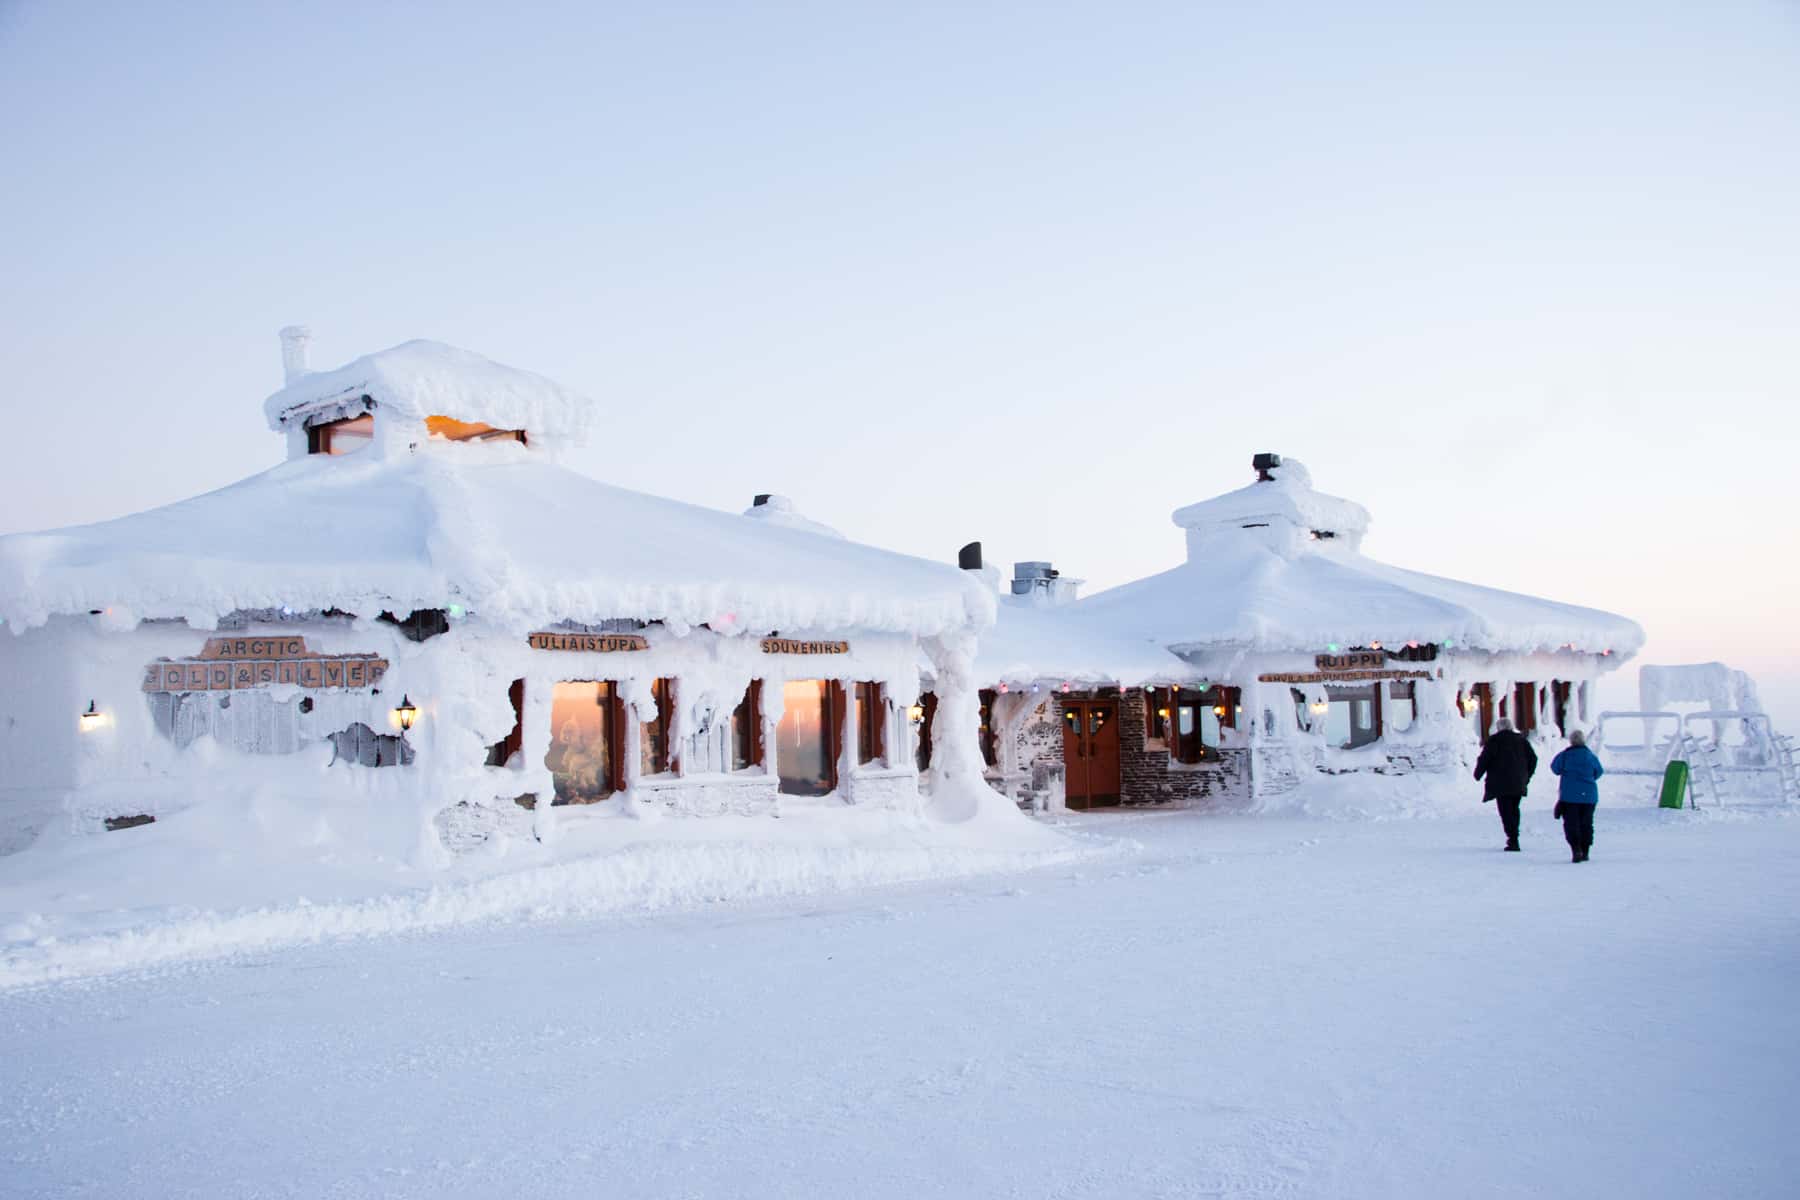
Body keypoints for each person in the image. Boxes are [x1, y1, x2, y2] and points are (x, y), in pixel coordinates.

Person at [1473, 717, 1537, 851]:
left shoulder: (1494, 741)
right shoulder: (1521, 741)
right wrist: (1526, 775)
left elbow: (1485, 759)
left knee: (1505, 810)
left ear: (1498, 728)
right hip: (1518, 782)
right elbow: (1533, 758)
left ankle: (1512, 838)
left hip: (1500, 782)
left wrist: (1478, 774)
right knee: (1514, 808)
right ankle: (1514, 836)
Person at [1550, 729, 1605, 863]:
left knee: (1571, 824)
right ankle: (1585, 850)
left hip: (1569, 796)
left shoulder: (1565, 756)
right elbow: (1599, 771)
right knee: (1586, 823)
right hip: (1589, 796)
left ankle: (1576, 849)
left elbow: (1555, 769)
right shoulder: (1590, 756)